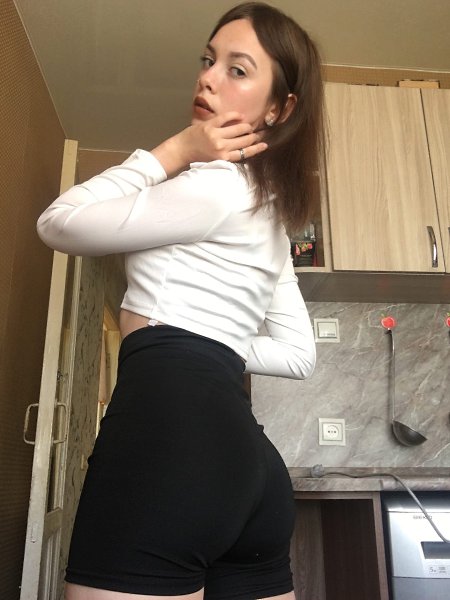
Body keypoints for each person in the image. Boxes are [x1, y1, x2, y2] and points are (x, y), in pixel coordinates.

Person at [37, 2, 324, 599]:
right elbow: (299, 353)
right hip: (248, 461)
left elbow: (58, 223)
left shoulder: (213, 185)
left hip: (170, 432)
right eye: (208, 60)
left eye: (237, 69)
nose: (208, 77)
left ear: (279, 108)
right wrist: (209, 335)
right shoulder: (272, 216)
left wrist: (173, 151)